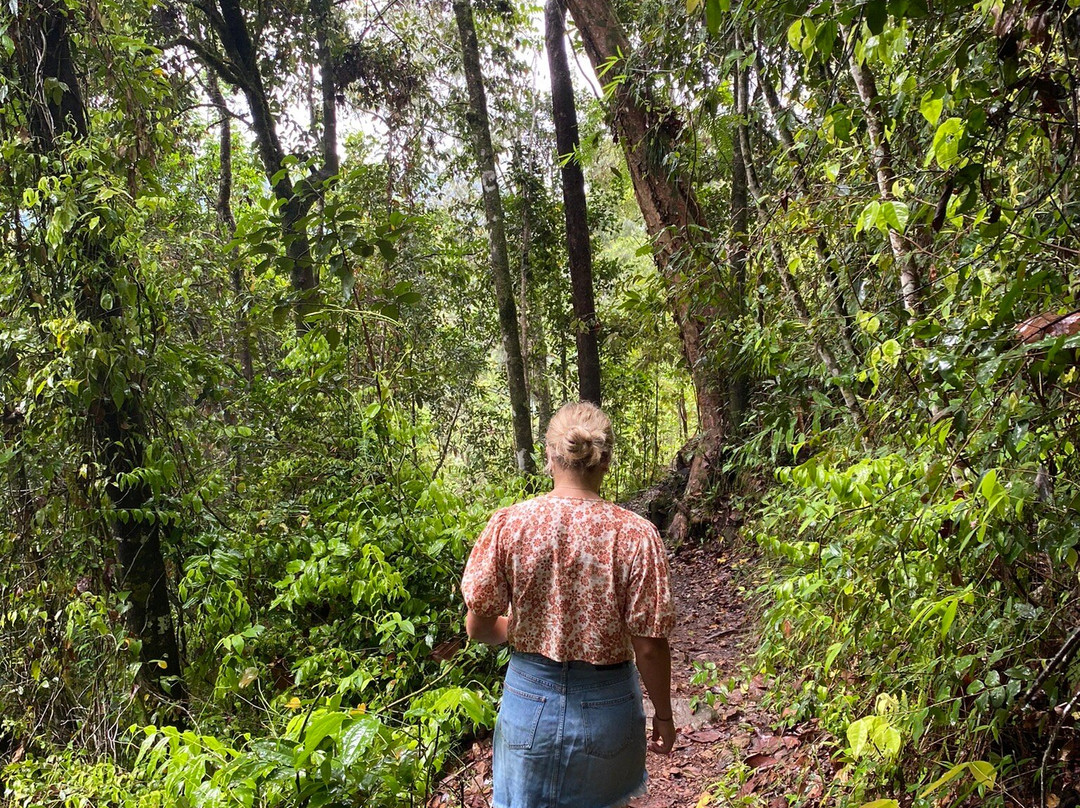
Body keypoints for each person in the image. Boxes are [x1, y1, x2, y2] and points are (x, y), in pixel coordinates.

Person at [461, 401, 676, 808]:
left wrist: (524, 629)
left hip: (528, 699)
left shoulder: (511, 524)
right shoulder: (636, 534)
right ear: (605, 461)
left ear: (549, 455)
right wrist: (663, 715)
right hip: (609, 701)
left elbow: (479, 627)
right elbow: (649, 645)